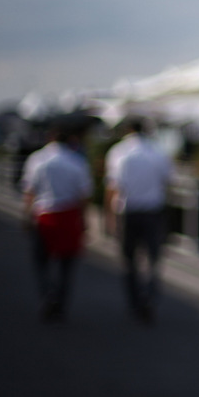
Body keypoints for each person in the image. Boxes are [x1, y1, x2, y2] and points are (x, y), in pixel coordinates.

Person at [20, 125, 93, 322]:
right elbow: (83, 196)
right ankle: (60, 303)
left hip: (44, 215)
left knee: (41, 262)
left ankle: (47, 295)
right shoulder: (76, 161)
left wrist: (26, 216)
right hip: (69, 215)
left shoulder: (37, 160)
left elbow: (29, 192)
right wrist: (85, 222)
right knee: (66, 265)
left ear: (50, 138)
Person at [105, 117, 174, 324]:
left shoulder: (119, 153)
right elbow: (168, 181)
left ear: (127, 130)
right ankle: (150, 299)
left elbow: (113, 187)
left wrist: (108, 218)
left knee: (129, 261)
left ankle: (135, 302)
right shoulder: (158, 152)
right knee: (153, 260)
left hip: (128, 211)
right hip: (153, 210)